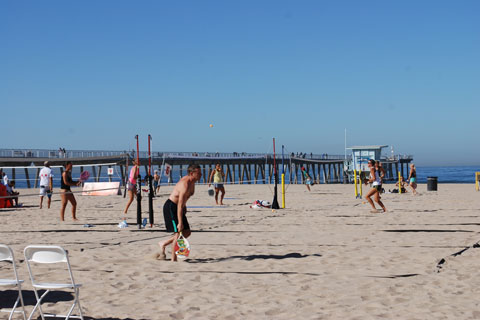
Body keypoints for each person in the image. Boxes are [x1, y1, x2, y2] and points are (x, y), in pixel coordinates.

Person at [159, 164, 202, 262]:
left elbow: (184, 199)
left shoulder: (193, 182)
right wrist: (180, 222)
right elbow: (179, 204)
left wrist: (185, 207)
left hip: (179, 207)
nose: (201, 175)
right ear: (192, 173)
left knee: (187, 232)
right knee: (178, 233)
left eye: (201, 173)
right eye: (198, 173)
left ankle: (164, 243)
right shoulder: (185, 184)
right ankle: (173, 260)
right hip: (171, 207)